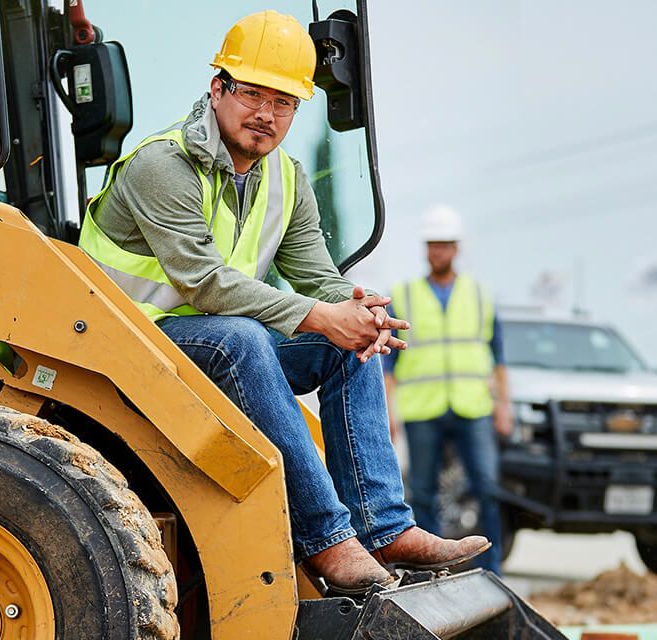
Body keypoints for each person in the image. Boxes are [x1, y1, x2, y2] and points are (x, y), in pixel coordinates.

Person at [78, 10, 489, 595]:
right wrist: (325, 315)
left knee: (347, 346)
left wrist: (358, 309)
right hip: (125, 341)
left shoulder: (286, 180)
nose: (266, 115)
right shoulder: (161, 166)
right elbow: (206, 284)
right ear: (217, 89)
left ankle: (383, 528)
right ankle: (326, 541)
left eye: (285, 102)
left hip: (205, 340)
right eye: (252, 95)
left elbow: (318, 278)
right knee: (245, 338)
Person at [383, 204, 512, 575]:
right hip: (423, 408)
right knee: (422, 492)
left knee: (487, 488)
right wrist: (389, 410)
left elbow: (497, 357)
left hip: (473, 408)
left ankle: (492, 571)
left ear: (456, 248)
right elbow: (388, 363)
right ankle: (430, 572)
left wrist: (504, 406)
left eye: (443, 244)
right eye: (431, 245)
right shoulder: (404, 295)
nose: (436, 251)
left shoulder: (480, 295)